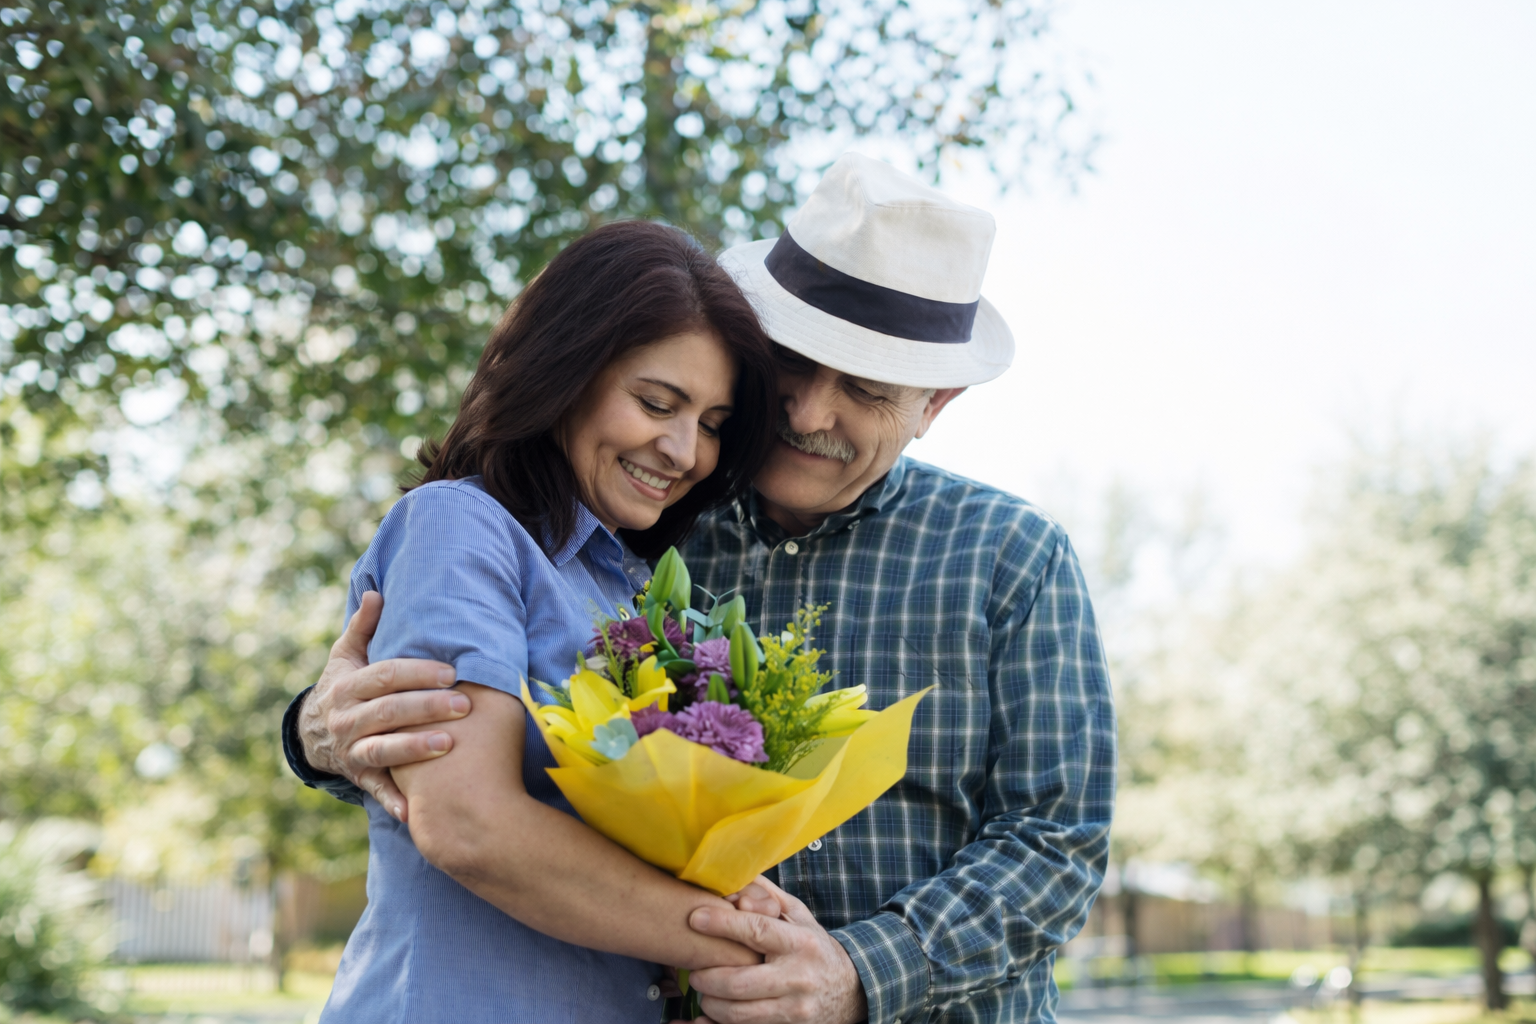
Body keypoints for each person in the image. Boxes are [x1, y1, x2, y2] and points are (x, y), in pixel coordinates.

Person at [287, 154, 1118, 1024]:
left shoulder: (1008, 555)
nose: (805, 414)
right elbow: (477, 754)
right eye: (792, 366)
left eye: (864, 390)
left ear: (933, 404)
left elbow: (1055, 845)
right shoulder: (645, 533)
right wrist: (317, 734)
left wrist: (855, 974)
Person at [305, 219, 784, 1023]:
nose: (683, 450)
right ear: (566, 368)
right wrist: (732, 942)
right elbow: (466, 823)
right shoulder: (460, 527)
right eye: (656, 402)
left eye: (711, 424)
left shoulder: (635, 595)